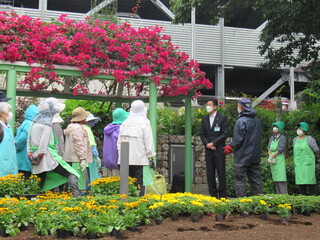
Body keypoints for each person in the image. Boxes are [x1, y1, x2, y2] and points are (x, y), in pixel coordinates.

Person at [28, 98, 81, 196]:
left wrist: (30, 155)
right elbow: (44, 141)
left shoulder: (33, 123)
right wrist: (40, 155)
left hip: (35, 156)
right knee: (70, 173)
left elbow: (29, 140)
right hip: (47, 156)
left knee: (39, 181)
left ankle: (32, 200)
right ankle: (76, 196)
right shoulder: (47, 123)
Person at [224, 98, 263, 197]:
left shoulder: (241, 121)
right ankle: (260, 207)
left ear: (241, 106)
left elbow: (238, 140)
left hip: (242, 157)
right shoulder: (257, 121)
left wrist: (230, 147)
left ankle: (243, 208)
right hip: (255, 156)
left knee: (240, 180)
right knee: (256, 181)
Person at [117, 100, 156, 196]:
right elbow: (149, 142)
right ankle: (138, 204)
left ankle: (127, 204)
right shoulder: (145, 123)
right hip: (140, 159)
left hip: (125, 160)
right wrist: (151, 157)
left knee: (127, 185)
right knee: (140, 184)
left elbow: (119, 143)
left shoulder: (124, 123)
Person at [200, 99, 229, 198]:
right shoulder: (204, 119)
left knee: (221, 173)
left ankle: (222, 196)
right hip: (208, 150)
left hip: (219, 150)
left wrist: (214, 143)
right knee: (210, 174)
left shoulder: (222, 118)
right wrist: (207, 144)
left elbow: (225, 133)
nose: (207, 106)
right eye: (206, 104)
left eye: (209, 105)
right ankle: (213, 195)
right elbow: (202, 134)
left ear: (215, 106)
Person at [64, 107, 92, 191]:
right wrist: (83, 158)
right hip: (77, 158)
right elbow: (79, 144)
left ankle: (74, 195)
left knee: (73, 176)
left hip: (70, 157)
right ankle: (77, 197)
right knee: (78, 179)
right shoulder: (78, 129)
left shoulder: (70, 126)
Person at [293, 122, 319, 195]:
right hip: (298, 163)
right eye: (297, 129)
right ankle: (303, 197)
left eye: (300, 129)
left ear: (305, 130)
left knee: (310, 180)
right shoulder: (295, 139)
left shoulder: (310, 139)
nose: (298, 130)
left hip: (308, 164)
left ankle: (312, 197)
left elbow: (316, 150)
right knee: (300, 181)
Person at [15, 104, 39, 179]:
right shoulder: (30, 124)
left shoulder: (25, 122)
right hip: (24, 157)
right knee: (25, 179)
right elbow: (23, 138)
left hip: (20, 157)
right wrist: (18, 148)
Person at [103, 108, 128, 176]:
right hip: (117, 162)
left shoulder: (108, 129)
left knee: (111, 183)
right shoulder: (120, 130)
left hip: (108, 161)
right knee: (119, 184)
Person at [267, 121, 288, 194]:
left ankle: (284, 196)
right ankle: (278, 195)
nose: (274, 128)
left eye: (276, 127)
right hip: (272, 160)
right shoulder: (272, 137)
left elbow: (280, 149)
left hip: (279, 159)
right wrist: (270, 156)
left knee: (281, 178)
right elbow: (269, 147)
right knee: (276, 178)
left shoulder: (282, 138)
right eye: (274, 126)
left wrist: (272, 156)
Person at [0, 102, 18, 177]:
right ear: (2, 113)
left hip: (11, 163)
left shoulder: (8, 127)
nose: (10, 114)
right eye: (8, 111)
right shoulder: (0, 128)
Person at [83, 113, 101, 184]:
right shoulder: (87, 129)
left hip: (83, 155)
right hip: (90, 156)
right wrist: (96, 155)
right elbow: (91, 143)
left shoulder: (81, 128)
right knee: (92, 174)